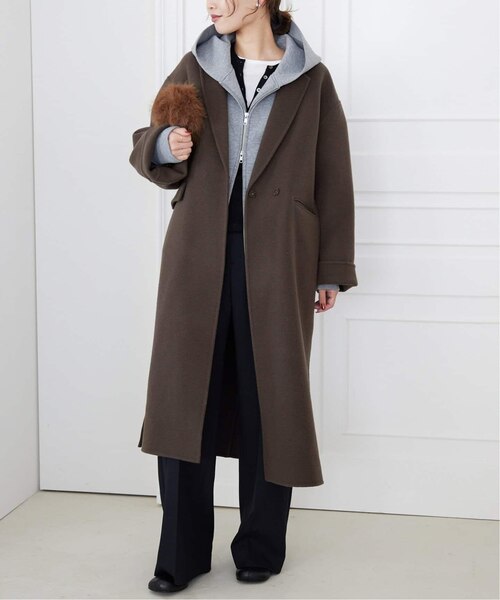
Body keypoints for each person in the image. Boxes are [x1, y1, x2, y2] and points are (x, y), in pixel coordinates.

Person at [129, 0, 358, 593]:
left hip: (280, 260)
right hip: (197, 258)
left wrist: (330, 270)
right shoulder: (195, 67)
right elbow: (146, 144)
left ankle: (259, 546)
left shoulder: (311, 80)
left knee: (270, 399)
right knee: (186, 400)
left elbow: (333, 175)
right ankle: (180, 555)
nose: (212, 3)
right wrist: (164, 145)